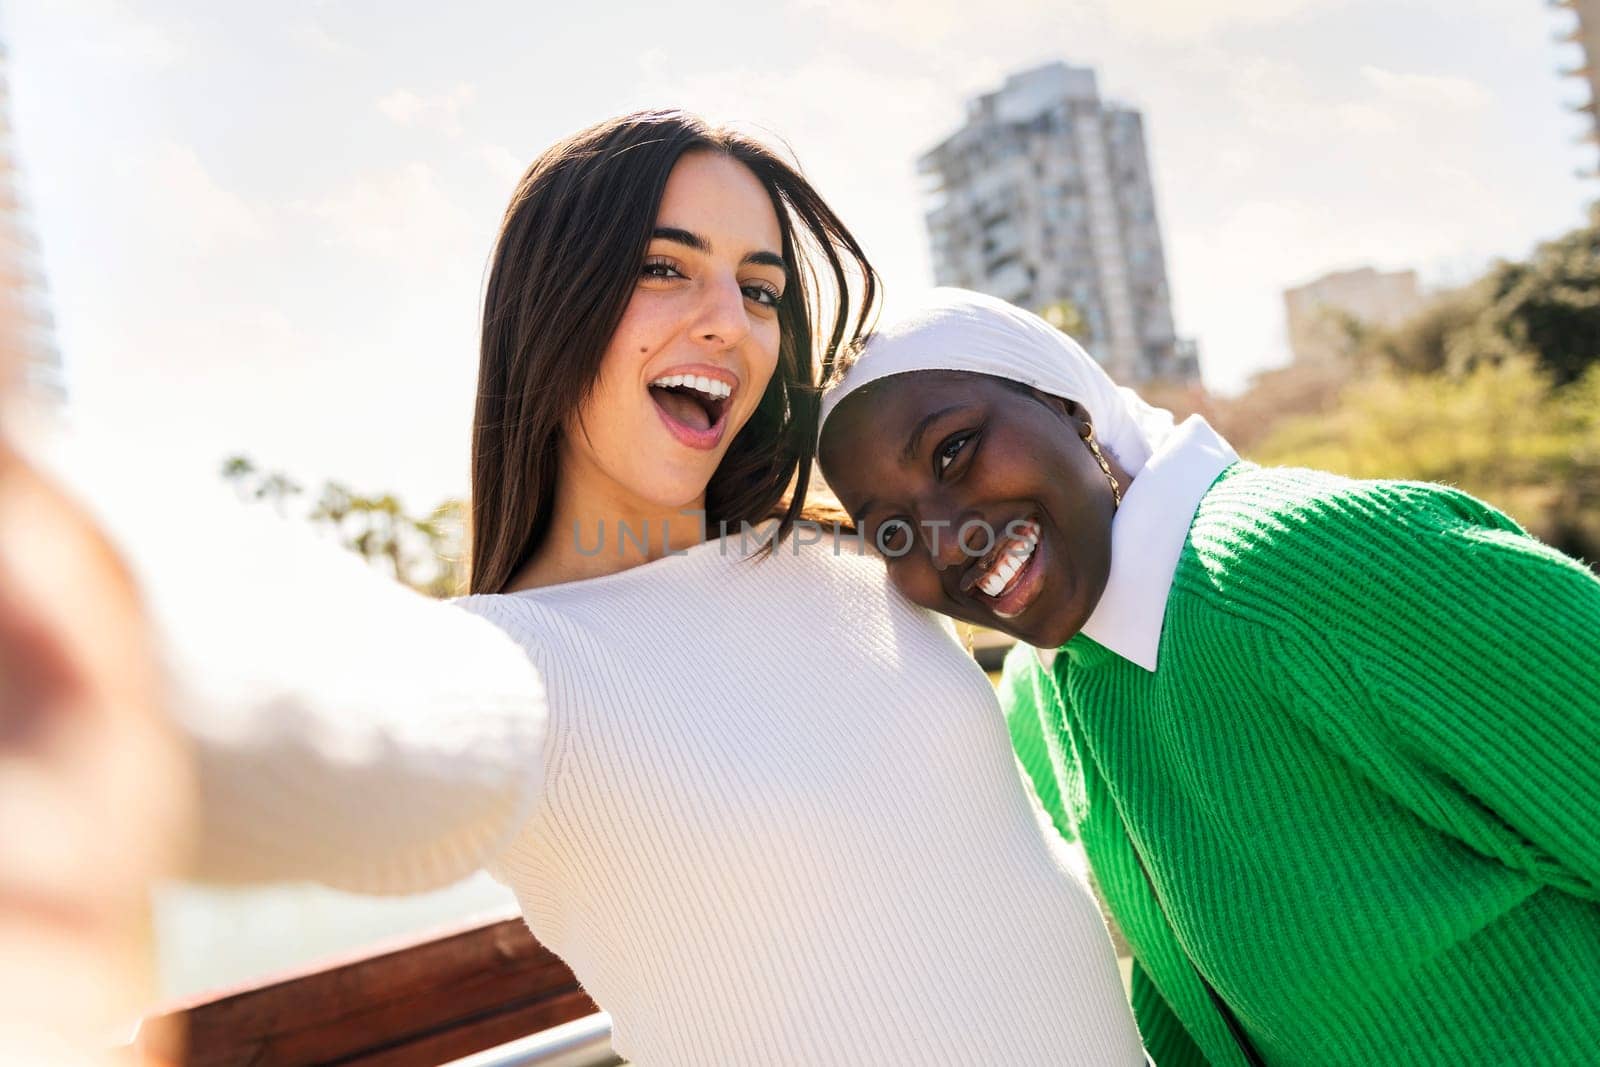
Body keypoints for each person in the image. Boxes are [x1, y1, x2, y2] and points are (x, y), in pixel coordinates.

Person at [64, 115, 1146, 1065]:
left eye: (759, 287)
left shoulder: (855, 556)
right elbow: (339, 732)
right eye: (665, 267)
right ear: (556, 302)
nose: (729, 319)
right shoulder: (518, 662)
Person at [815, 286, 1600, 1067]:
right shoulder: (1042, 693)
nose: (947, 544)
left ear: (1064, 404)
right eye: (893, 530)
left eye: (954, 451)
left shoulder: (1311, 567)